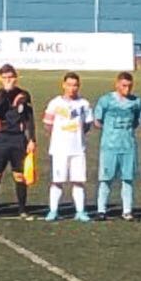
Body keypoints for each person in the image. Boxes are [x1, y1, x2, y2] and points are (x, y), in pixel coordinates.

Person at [42, 73, 93, 222]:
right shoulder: (55, 103)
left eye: (75, 85)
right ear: (63, 85)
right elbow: (48, 124)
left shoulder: (84, 104)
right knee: (57, 180)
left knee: (78, 180)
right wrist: (59, 136)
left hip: (78, 149)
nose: (72, 88)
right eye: (69, 85)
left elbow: (87, 124)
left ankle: (80, 211)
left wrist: (77, 135)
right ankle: (53, 210)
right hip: (59, 149)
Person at [0, 64, 35, 218]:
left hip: (18, 138)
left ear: (16, 77)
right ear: (0, 78)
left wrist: (32, 139)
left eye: (11, 77)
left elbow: (29, 119)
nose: (8, 80)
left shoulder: (24, 95)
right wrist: (6, 92)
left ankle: (22, 209)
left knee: (19, 175)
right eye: (5, 78)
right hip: (0, 138)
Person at [94, 72, 141, 219]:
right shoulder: (106, 100)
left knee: (127, 179)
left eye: (129, 86)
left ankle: (127, 211)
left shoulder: (136, 102)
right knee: (105, 179)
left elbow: (136, 121)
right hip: (109, 146)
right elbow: (97, 121)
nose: (127, 89)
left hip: (128, 146)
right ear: (117, 84)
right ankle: (101, 210)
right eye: (124, 85)